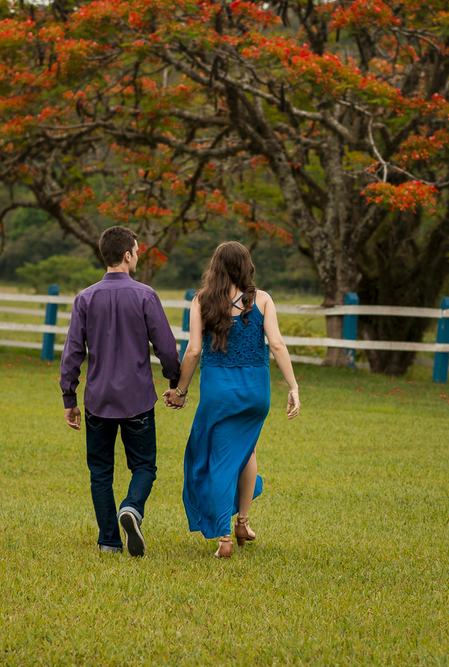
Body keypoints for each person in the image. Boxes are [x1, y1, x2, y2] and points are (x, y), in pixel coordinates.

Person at [164, 241, 301, 558]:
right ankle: (242, 522)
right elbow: (277, 344)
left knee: (218, 460)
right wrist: (292, 386)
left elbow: (194, 350)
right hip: (256, 392)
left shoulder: (202, 301)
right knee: (247, 448)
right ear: (246, 266)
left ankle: (225, 538)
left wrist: (180, 391)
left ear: (215, 267)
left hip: (219, 392)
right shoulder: (262, 300)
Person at [60, 226, 180, 557]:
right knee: (144, 467)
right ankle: (131, 508)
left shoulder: (85, 298)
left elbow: (72, 352)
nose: (138, 256)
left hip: (98, 400)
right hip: (137, 399)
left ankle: (109, 541)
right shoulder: (145, 295)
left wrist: (69, 397)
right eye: (137, 252)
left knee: (100, 472)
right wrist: (174, 381)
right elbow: (166, 347)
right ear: (126, 255)